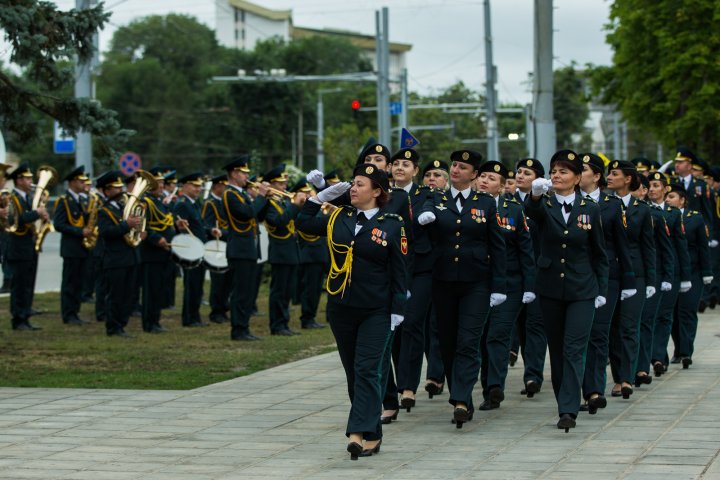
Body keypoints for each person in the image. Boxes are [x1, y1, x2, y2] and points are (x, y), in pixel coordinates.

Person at [296, 163, 407, 460]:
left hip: (377, 309)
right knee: (353, 373)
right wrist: (317, 199)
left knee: (368, 369)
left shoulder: (392, 222)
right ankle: (373, 431)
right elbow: (303, 224)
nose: (352, 189)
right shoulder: (339, 218)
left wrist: (398, 308)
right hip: (342, 306)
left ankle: (357, 433)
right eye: (352, 184)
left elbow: (400, 270)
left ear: (377, 192)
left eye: (359, 184)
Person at [418, 149, 507, 428]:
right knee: (447, 341)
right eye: (453, 165)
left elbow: (498, 246)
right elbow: (422, 227)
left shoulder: (486, 203)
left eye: (462, 167)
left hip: (476, 282)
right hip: (442, 280)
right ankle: (463, 398)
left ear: (475, 175)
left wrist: (499, 285)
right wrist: (424, 217)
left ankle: (460, 397)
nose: (455, 170)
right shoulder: (436, 198)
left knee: (468, 340)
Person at [526, 149, 608, 431]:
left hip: (582, 288)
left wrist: (601, 289)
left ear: (576, 178)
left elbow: (599, 253)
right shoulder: (544, 204)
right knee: (558, 349)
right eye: (554, 171)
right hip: (550, 288)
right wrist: (535, 195)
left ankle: (568, 409)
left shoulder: (590, 208)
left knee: (574, 348)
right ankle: (566, 398)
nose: (556, 176)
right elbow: (532, 213)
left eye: (563, 171)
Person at [473, 160, 535, 411]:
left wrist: (529, 285)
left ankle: (494, 387)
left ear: (501, 186)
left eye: (492, 178)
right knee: (481, 336)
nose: (485, 181)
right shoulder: (468, 207)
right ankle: (487, 381)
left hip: (510, 283)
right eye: (483, 176)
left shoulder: (514, 209)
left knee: (498, 334)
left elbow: (525, 249)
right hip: (478, 282)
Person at [578, 153, 636, 414]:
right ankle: (580, 389)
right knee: (578, 336)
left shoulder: (613, 205)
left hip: (607, 278)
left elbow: (623, 246)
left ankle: (594, 390)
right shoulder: (568, 202)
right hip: (577, 276)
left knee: (599, 334)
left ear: (596, 176)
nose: (578, 173)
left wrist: (629, 281)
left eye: (583, 169)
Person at [385, 148, 434, 417]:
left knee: (413, 324)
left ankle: (408, 387)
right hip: (393, 269)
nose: (400, 168)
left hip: (421, 269)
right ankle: (394, 386)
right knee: (395, 329)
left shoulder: (425, 193)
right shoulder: (383, 194)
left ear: (416, 170)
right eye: (396, 164)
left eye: (406, 164)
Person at [606, 160, 656, 400]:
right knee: (613, 327)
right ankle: (618, 376)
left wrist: (652, 281)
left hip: (635, 274)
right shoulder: (604, 205)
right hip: (611, 273)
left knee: (628, 326)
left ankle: (626, 378)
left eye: (615, 174)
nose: (609, 177)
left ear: (628, 179)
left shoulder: (642, 209)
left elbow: (649, 247)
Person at [648, 173, 692, 376]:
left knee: (665, 316)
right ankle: (658, 357)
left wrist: (685, 276)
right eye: (649, 185)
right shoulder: (642, 210)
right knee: (650, 315)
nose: (652, 189)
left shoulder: (674, 214)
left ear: (665, 189)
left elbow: (681, 247)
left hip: (670, 272)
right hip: (650, 271)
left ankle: (658, 356)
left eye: (656, 185)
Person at [664, 184, 712, 369]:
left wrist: (707, 273)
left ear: (682, 200)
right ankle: (678, 349)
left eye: (672, 196)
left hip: (694, 273)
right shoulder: (663, 216)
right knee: (674, 313)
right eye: (667, 196)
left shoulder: (695, 218)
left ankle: (686, 352)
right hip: (674, 272)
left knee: (687, 311)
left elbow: (703, 247)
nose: (668, 199)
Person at [511, 158, 548, 398]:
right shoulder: (504, 201)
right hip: (513, 272)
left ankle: (533, 375)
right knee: (519, 325)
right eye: (519, 172)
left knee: (535, 324)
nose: (521, 175)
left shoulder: (547, 202)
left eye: (527, 173)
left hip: (538, 270)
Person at [633, 174, 674, 386]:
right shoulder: (614, 211)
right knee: (627, 326)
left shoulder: (655, 215)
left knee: (645, 321)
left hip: (651, 276)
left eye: (638, 188)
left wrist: (668, 276)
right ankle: (627, 368)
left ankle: (641, 368)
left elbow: (666, 250)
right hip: (625, 276)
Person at [223, 156, 269, 341]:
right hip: (239, 249)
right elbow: (246, 213)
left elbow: (257, 217)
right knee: (241, 292)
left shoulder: (240, 193)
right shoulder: (230, 194)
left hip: (248, 248)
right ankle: (238, 330)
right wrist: (261, 197)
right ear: (234, 173)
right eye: (244, 173)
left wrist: (265, 201)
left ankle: (244, 327)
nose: (247, 177)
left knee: (248, 292)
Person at [96, 171, 143, 337]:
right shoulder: (103, 211)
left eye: (120, 187)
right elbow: (107, 232)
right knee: (115, 294)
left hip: (130, 257)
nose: (120, 191)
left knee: (128, 294)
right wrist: (127, 225)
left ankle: (121, 324)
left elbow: (131, 227)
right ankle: (113, 327)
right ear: (106, 191)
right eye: (115, 188)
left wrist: (139, 230)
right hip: (115, 259)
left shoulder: (125, 207)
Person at [262, 164, 307, 336]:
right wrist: (294, 206)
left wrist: (300, 207)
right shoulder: (269, 204)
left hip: (290, 251)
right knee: (279, 291)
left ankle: (284, 323)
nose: (284, 187)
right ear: (272, 185)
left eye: (284, 184)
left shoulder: (283, 201)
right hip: (280, 252)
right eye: (280, 184)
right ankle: (277, 325)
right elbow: (279, 222)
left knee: (287, 291)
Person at [174, 172, 222, 328]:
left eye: (199, 185)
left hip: (199, 249)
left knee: (197, 285)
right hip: (190, 250)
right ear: (186, 186)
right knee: (192, 285)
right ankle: (189, 318)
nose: (198, 188)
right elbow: (180, 228)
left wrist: (210, 231)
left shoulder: (195, 203)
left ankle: (195, 316)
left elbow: (200, 225)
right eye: (195, 185)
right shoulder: (182, 204)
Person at [6, 163, 48, 331]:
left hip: (29, 246)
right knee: (19, 285)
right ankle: (18, 319)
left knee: (28, 284)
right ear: (19, 180)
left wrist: (42, 217)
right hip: (17, 247)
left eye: (31, 178)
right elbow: (16, 219)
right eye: (28, 178)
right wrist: (36, 213)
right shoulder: (11, 198)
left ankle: (26, 316)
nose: (31, 181)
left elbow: (31, 217)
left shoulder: (28, 198)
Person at [53, 166, 92, 325]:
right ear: (73, 182)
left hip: (82, 248)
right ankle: (68, 314)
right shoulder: (64, 201)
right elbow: (59, 225)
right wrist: (79, 232)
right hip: (71, 248)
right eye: (81, 181)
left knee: (78, 283)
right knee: (70, 283)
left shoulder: (81, 200)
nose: (84, 183)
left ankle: (75, 312)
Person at [140, 167, 175, 333]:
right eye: (158, 183)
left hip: (163, 251)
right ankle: (149, 323)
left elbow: (166, 222)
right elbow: (143, 226)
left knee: (159, 289)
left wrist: (178, 226)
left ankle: (156, 320)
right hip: (151, 252)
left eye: (162, 183)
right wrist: (156, 239)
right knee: (151, 290)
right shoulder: (145, 202)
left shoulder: (159, 201)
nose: (161, 186)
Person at [293, 179, 327, 329]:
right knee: (309, 290)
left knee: (316, 289)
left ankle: (311, 317)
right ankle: (307, 319)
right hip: (310, 255)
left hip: (319, 254)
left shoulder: (314, 208)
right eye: (305, 192)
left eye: (309, 192)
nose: (308, 194)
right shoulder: (300, 209)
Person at [202, 174, 232, 324]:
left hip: (227, 243)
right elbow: (205, 224)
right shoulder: (210, 203)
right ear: (217, 186)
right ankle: (216, 311)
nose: (226, 188)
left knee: (227, 280)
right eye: (223, 185)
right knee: (218, 280)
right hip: (216, 245)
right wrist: (212, 230)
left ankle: (223, 308)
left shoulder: (225, 202)